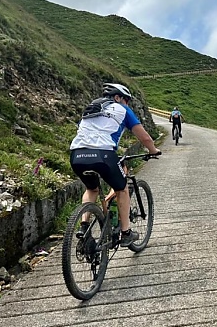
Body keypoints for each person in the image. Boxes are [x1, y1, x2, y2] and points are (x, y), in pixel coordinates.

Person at [69, 83, 161, 246]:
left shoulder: (92, 108)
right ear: (118, 98)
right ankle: (126, 233)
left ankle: (83, 227)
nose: (127, 104)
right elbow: (144, 137)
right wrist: (153, 150)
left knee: (91, 189)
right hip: (103, 154)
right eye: (126, 100)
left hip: (77, 154)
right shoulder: (122, 109)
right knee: (122, 189)